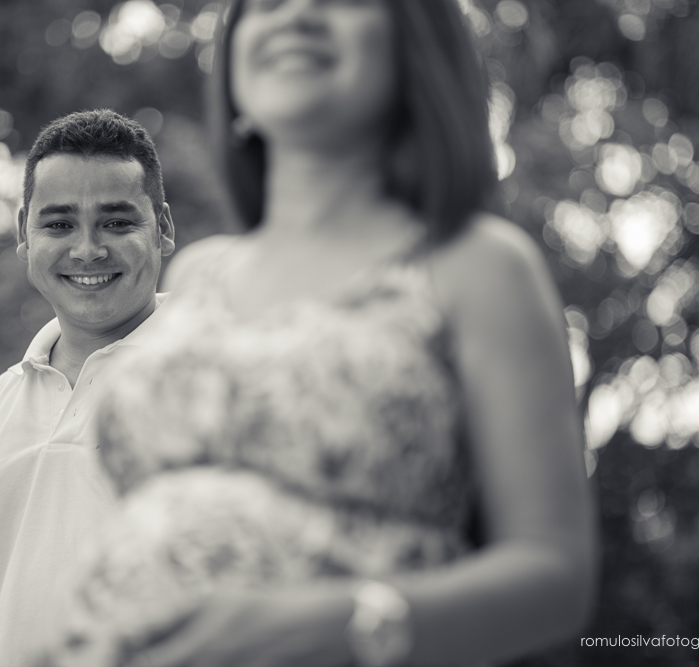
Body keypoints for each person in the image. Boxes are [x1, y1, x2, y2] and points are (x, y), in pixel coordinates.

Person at [39, 1, 597, 665]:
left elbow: (555, 574)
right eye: (266, 3)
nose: (296, 14)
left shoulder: (477, 266)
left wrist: (354, 623)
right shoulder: (195, 275)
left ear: (411, 47)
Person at [0, 109, 175, 667]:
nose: (87, 249)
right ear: (24, 234)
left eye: (117, 222)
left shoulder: (219, 375)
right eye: (59, 224)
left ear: (162, 226)